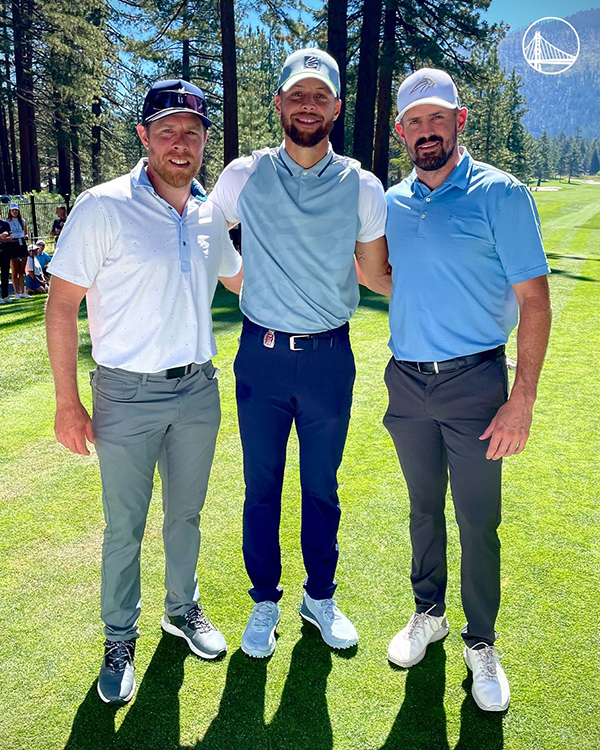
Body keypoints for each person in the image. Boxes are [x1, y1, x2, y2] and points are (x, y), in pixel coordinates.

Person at [46, 79, 243, 705]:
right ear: (144, 136)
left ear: (205, 140)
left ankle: (181, 610)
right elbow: (61, 305)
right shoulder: (102, 206)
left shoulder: (209, 215)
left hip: (198, 390)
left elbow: (242, 281)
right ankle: (119, 637)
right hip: (125, 395)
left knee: (186, 516)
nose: (180, 143)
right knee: (124, 525)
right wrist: (67, 402)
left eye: (192, 131)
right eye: (167, 130)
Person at [210, 48, 391, 658]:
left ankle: (320, 596)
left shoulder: (362, 186)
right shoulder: (244, 174)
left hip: (328, 361)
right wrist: (240, 280)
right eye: (297, 95)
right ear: (279, 103)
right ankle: (265, 600)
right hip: (261, 358)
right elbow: (205, 229)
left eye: (320, 96)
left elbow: (375, 272)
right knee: (260, 486)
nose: (308, 106)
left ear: (336, 108)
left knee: (320, 486)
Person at [383, 68, 551, 712]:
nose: (426, 130)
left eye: (437, 118)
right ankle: (429, 613)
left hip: (477, 382)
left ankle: (481, 642)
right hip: (407, 381)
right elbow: (387, 275)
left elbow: (534, 301)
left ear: (459, 120)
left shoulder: (501, 194)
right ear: (401, 131)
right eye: (414, 121)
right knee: (423, 509)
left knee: (478, 520)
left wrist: (522, 397)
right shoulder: (393, 202)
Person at [7, 203, 29, 299]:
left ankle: (23, 292)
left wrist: (26, 236)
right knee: (15, 270)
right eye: (13, 210)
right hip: (13, 244)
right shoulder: (7, 222)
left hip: (22, 243)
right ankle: (16, 292)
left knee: (22, 269)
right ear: (10, 211)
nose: (14, 212)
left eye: (16, 210)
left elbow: (25, 232)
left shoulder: (23, 221)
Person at [0, 216, 12, 303]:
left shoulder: (5, 224)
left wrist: (2, 239)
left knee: (5, 274)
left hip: (5, 252)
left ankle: (5, 295)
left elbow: (10, 238)